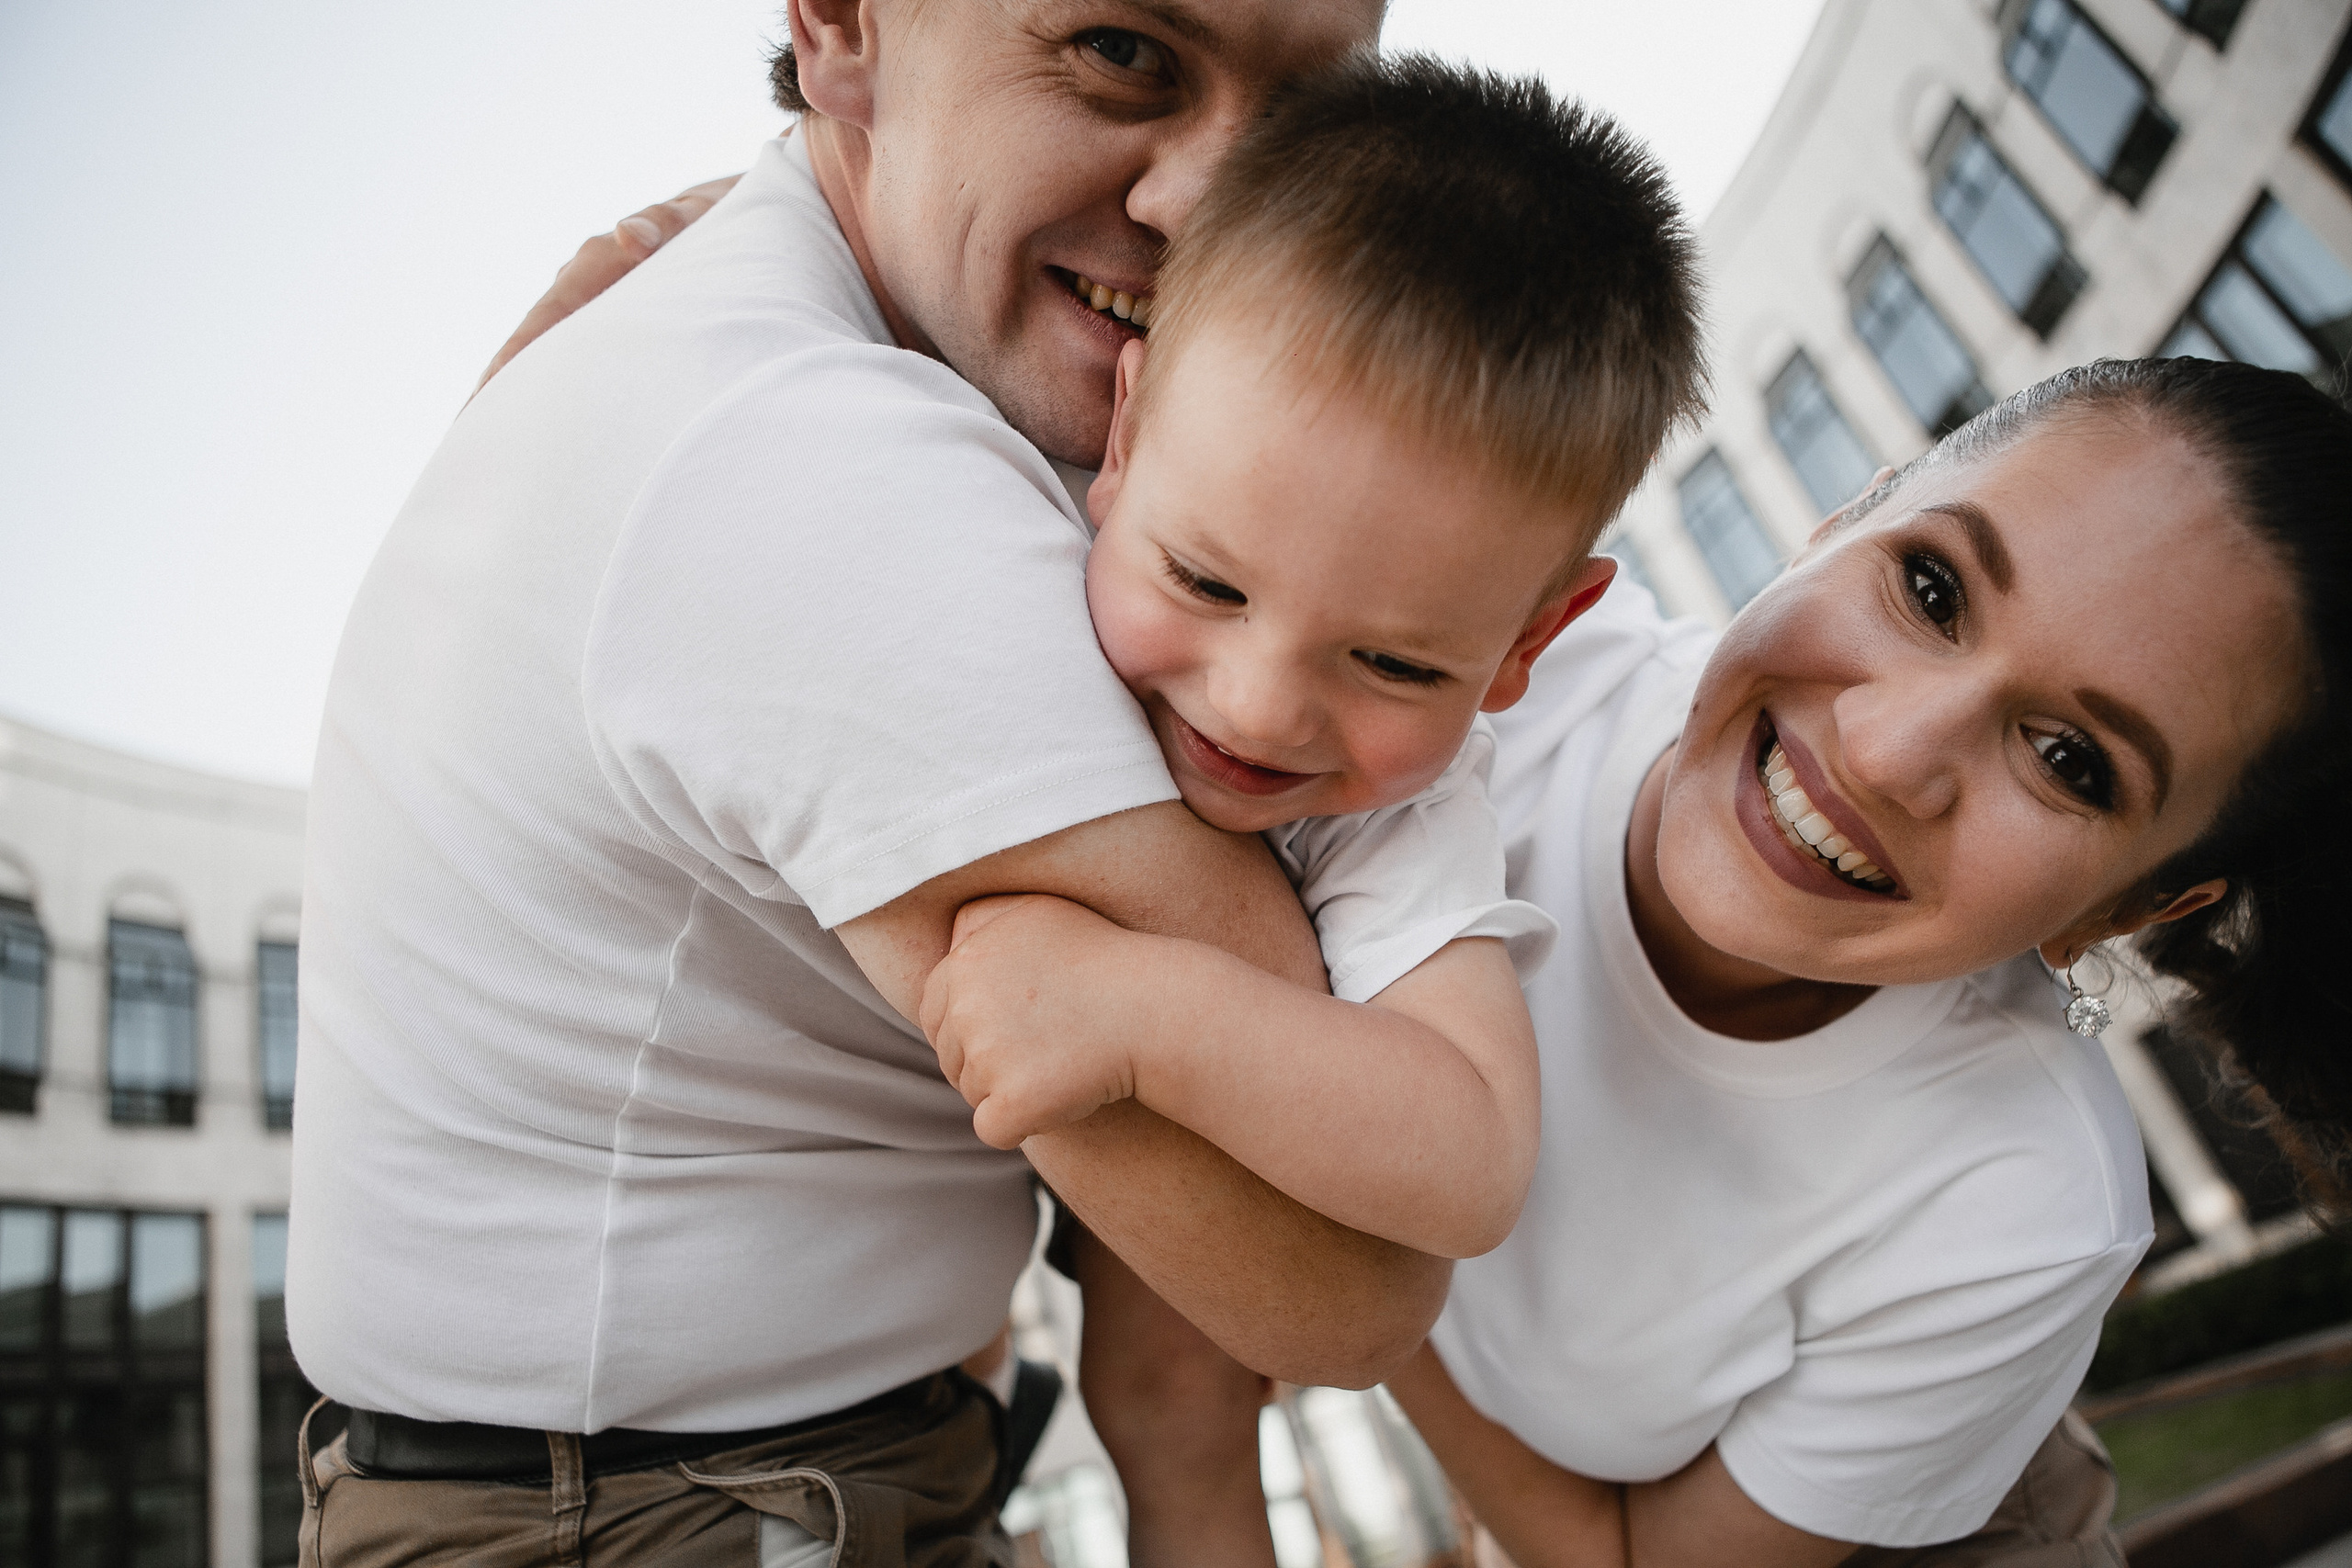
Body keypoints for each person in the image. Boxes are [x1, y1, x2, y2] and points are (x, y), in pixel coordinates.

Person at [288, 3, 1445, 1564]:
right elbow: (1343, 1277)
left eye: (1310, 115)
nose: (1217, 199)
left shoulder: (754, 336)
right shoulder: (809, 454)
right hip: (663, 1517)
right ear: (839, 26)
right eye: (1122, 50)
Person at [937, 357, 2351, 1565]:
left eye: (2068, 762)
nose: (1889, 751)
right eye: (1928, 587)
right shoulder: (1458, 668)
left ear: (2129, 907)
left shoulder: (2024, 1201)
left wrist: (1348, 1268)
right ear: (1844, 515)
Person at [923, 59, 1707, 1264]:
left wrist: (1142, 1019)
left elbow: (1476, 1159)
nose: (1258, 708)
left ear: (1527, 643)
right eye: (1208, 583)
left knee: (1170, 1387)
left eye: (1393, 664)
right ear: (1122, 440)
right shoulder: (987, 492)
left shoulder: (1393, 819)